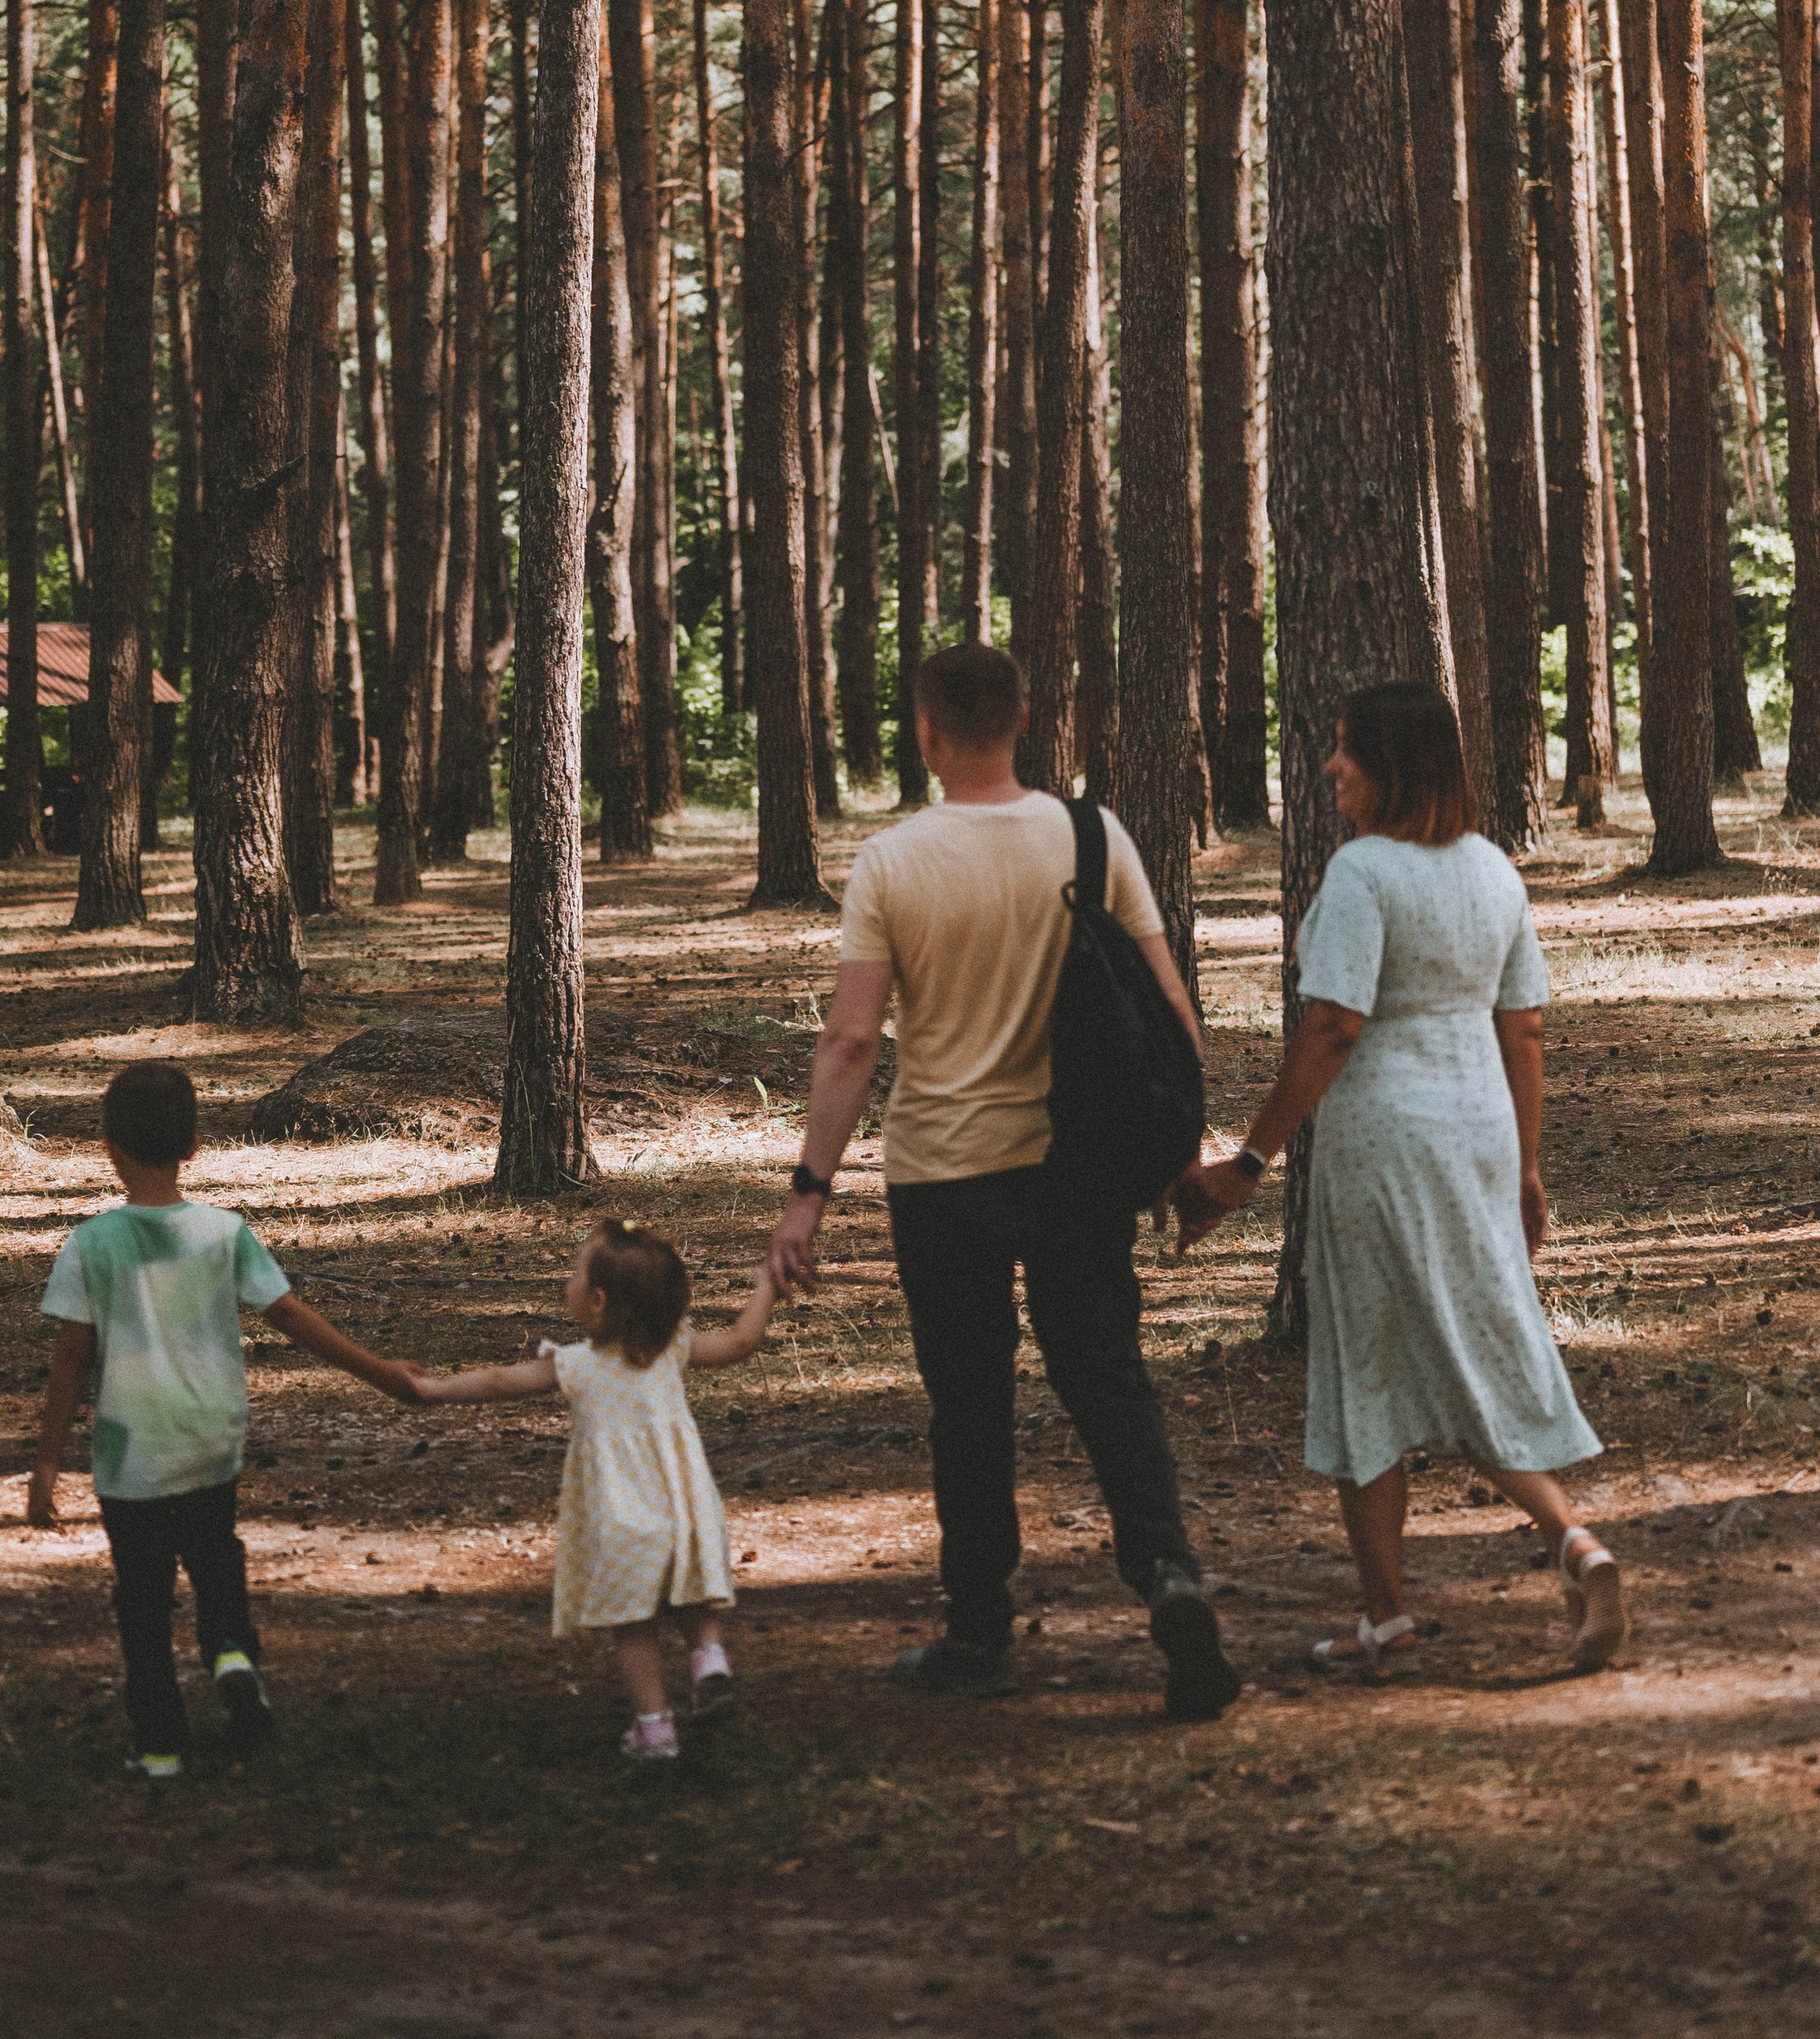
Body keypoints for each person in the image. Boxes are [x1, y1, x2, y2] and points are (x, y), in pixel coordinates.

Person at [766, 640, 1240, 1720]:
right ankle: (1166, 1573)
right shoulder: (1092, 833)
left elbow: (849, 1042)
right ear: (1023, 720)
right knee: (1108, 1377)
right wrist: (1177, 1150)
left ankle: (977, 1631)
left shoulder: (890, 860)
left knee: (968, 1405)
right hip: (1074, 1165)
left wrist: (808, 1191)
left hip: (941, 1174)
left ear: (928, 733)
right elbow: (1172, 1013)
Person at [1180, 681, 1626, 1675]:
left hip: (1384, 1139)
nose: (1330, 768)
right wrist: (1524, 1162)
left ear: (1395, 766)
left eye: (1346, 751)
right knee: (1458, 1336)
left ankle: (1561, 1543)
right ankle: (1406, 1606)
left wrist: (1249, 1161)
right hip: (1473, 1131)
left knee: (1369, 1359)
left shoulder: (1363, 874)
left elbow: (1335, 1025)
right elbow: (1526, 1029)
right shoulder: (1493, 873)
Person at [27, 1061, 416, 1780]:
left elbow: (71, 1359)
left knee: (141, 1599)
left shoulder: (90, 1245)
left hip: (130, 1453)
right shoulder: (224, 1233)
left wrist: (48, 1460)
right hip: (210, 1437)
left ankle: (161, 1747)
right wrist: (382, 1372)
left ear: (108, 1145)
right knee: (214, 1558)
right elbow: (291, 1316)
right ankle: (233, 1655)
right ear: (194, 1144)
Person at [399, 1218, 777, 1763]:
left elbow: (500, 1382)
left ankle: (654, 1728)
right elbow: (743, 1340)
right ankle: (710, 1662)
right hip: (687, 1508)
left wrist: (433, 1389)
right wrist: (766, 1283)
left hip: (623, 1519)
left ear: (598, 1302)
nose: (567, 1280)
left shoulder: (577, 1364)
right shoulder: (674, 1349)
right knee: (689, 1593)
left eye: (575, 1273)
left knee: (634, 1622)